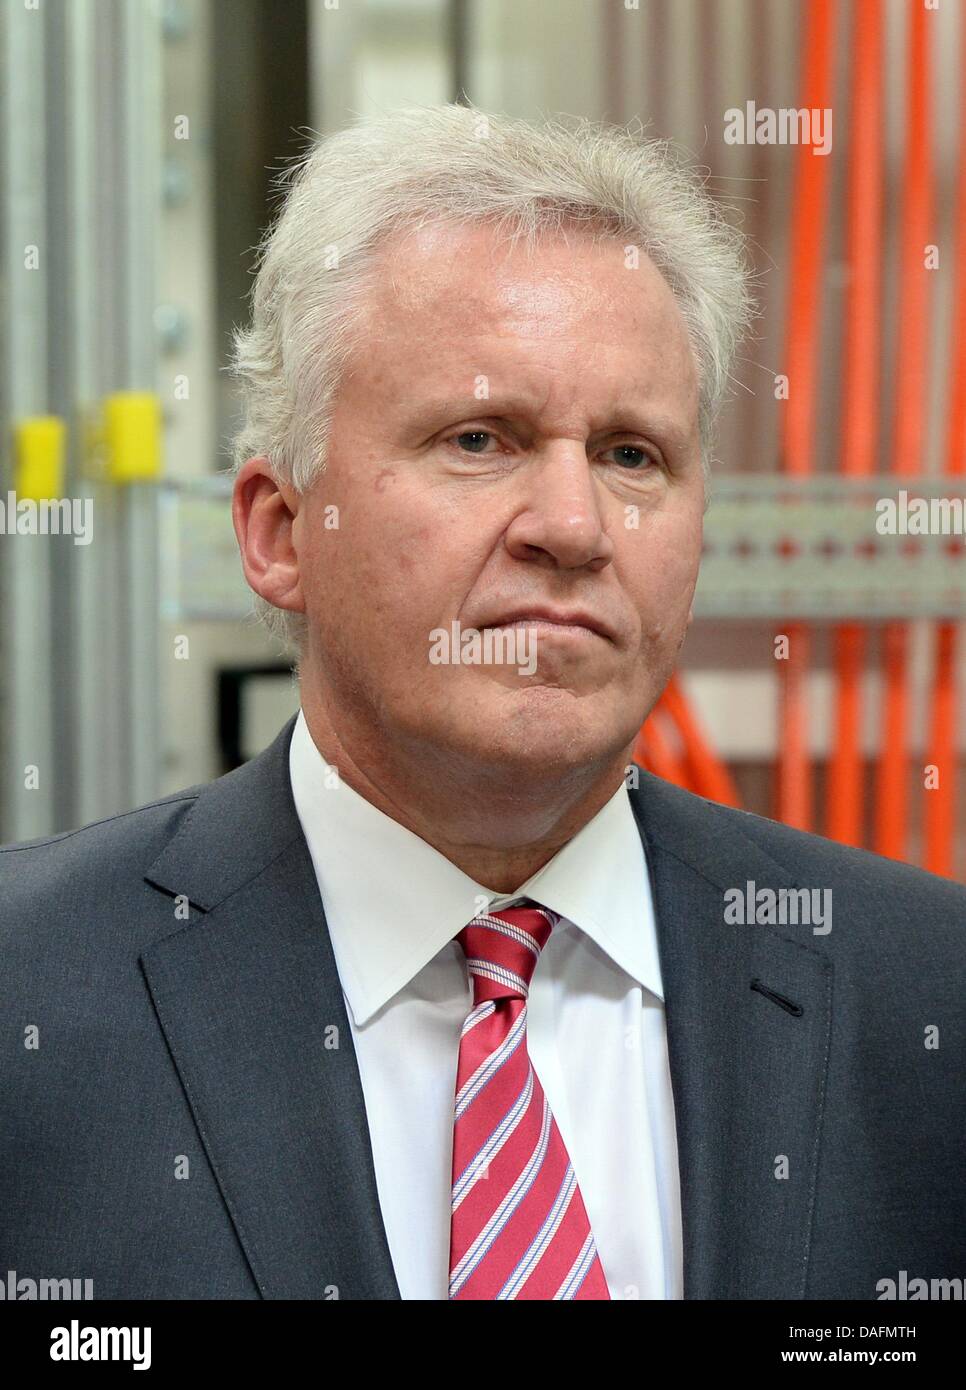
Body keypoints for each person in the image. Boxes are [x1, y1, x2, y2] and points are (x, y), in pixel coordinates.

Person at [2, 104, 963, 1301]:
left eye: (630, 455)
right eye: (479, 438)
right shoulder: (28, 994)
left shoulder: (928, 996)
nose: (572, 527)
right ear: (280, 530)